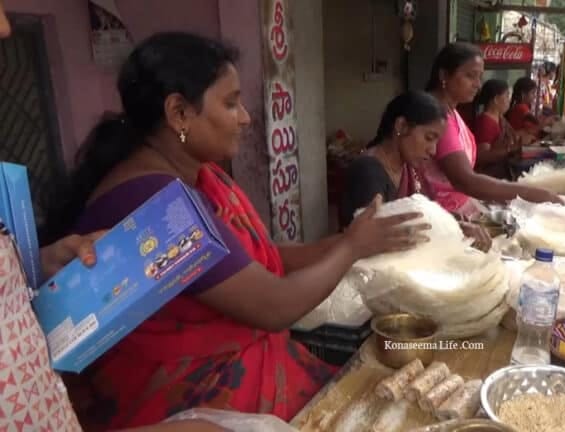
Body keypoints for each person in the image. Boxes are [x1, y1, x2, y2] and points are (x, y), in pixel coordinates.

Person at [40, 32, 428, 431]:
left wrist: (356, 242)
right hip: (186, 401)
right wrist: (350, 248)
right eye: (230, 103)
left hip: (229, 370)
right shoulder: (154, 201)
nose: (244, 116)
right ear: (178, 113)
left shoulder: (192, 176)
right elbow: (273, 307)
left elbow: (254, 257)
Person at [412, 42, 562, 219]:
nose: (477, 84)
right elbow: (465, 181)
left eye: (479, 77)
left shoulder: (452, 111)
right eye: (470, 76)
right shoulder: (437, 116)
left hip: (458, 209)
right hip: (445, 218)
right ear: (444, 75)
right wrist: (533, 194)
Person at [340, 90, 491, 250]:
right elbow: (374, 243)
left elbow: (417, 216)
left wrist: (450, 223)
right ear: (401, 126)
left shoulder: (407, 167)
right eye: (429, 138)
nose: (433, 150)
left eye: (436, 142)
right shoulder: (368, 172)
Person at [472, 79, 520, 179]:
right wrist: (510, 150)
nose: (509, 100)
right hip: (488, 177)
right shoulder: (485, 122)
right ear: (496, 99)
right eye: (507, 96)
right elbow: (482, 156)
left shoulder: (500, 118)